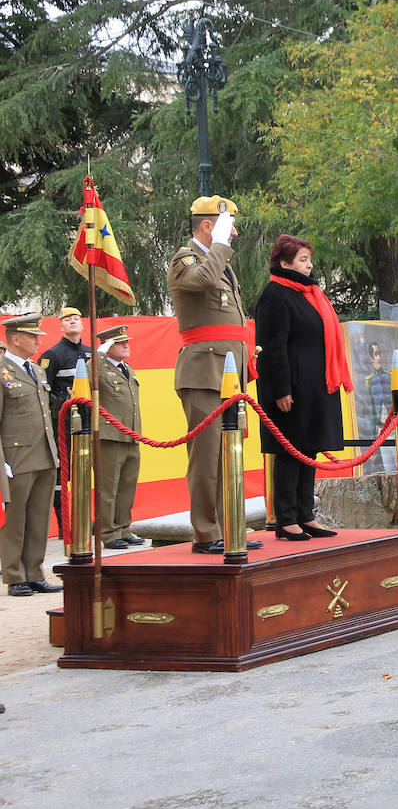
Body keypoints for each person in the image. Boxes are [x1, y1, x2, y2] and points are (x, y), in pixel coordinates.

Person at [168, 196, 262, 555]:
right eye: (228, 226)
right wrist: (220, 243)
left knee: (229, 454)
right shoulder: (186, 259)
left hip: (228, 374)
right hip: (203, 372)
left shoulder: (220, 263)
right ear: (208, 226)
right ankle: (207, 532)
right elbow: (204, 280)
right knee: (207, 458)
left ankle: (230, 525)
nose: (234, 233)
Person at [254, 235, 351, 541]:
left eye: (309, 259)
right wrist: (280, 390)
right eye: (302, 260)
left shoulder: (309, 293)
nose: (309, 266)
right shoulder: (275, 295)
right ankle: (286, 518)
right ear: (284, 263)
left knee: (308, 450)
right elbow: (272, 347)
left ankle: (305, 514)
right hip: (291, 388)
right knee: (290, 452)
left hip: (314, 386)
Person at [0, 313, 61, 595]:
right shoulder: (2, 371)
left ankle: (35, 571)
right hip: (17, 456)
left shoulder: (36, 370)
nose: (38, 341)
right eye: (32, 336)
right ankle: (15, 575)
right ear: (15, 339)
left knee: (38, 517)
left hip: (44, 453)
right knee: (16, 519)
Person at [95, 325, 146, 550]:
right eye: (119, 342)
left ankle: (124, 528)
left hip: (131, 434)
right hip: (109, 436)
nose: (126, 345)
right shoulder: (96, 367)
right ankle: (108, 532)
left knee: (127, 486)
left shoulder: (127, 368)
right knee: (108, 487)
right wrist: (99, 353)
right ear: (106, 346)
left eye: (127, 341)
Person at [39, 306, 89, 534]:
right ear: (60, 325)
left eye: (76, 318)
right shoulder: (52, 355)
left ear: (82, 323)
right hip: (63, 423)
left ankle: (83, 519)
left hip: (88, 422)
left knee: (84, 470)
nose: (72, 322)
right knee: (63, 473)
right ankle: (64, 523)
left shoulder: (90, 353)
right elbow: (43, 392)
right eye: (67, 319)